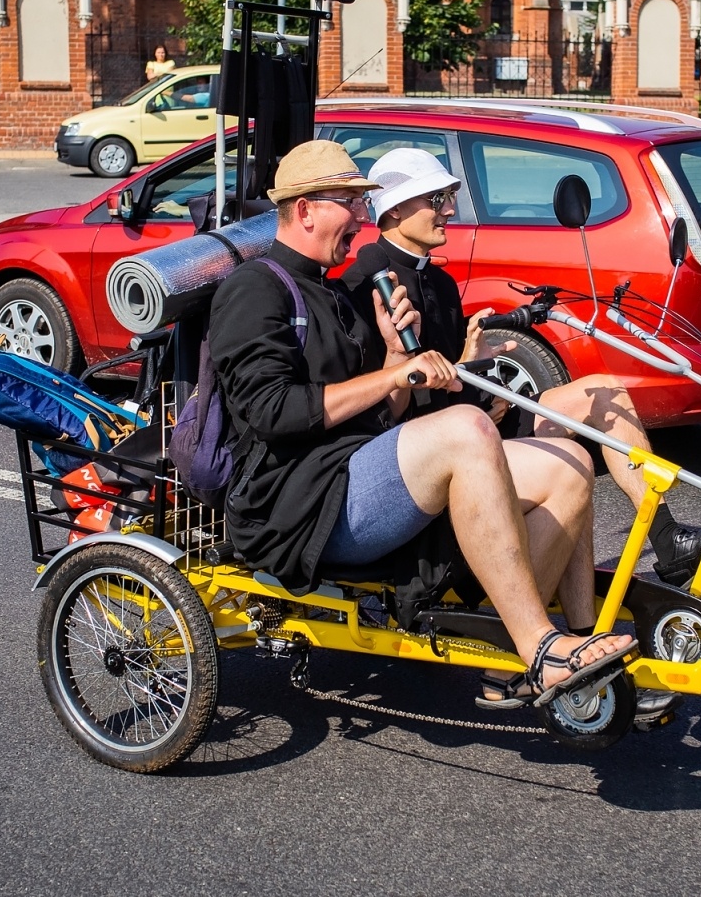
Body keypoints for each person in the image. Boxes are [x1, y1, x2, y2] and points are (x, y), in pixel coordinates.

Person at [209, 139, 637, 707]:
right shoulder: (253, 289)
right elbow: (273, 413)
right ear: (306, 209)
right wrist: (395, 375)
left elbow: (376, 411)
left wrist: (389, 361)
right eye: (350, 204)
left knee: (569, 465)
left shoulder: (331, 289)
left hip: (353, 470)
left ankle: (568, 645)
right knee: (465, 427)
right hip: (298, 504)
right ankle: (538, 646)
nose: (361, 218)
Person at [342, 146, 701, 586]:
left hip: (476, 413)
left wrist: (470, 363)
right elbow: (385, 402)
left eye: (450, 196)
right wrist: (468, 390)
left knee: (605, 389)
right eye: (438, 199)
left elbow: (446, 371)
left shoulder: (437, 279)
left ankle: (666, 537)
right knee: (571, 464)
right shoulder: (362, 288)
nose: (452, 209)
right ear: (396, 208)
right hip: (433, 445)